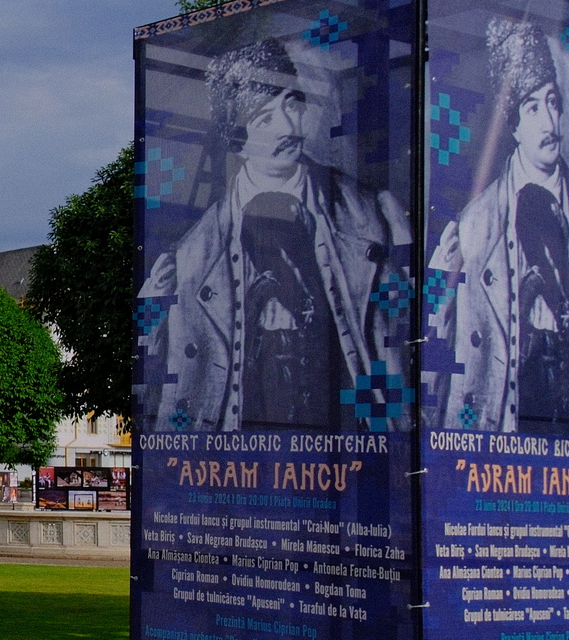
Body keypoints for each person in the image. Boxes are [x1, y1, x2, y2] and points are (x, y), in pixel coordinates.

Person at [140, 37, 412, 432]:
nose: (288, 127)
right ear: (237, 139)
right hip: (236, 456)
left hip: (352, 449)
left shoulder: (372, 216)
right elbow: (156, 373)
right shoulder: (190, 255)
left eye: (292, 105)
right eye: (265, 119)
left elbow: (410, 331)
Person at [427, 17, 569, 435]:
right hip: (493, 434)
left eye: (553, 102)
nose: (549, 123)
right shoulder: (470, 228)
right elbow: (435, 342)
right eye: (532, 107)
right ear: (513, 125)